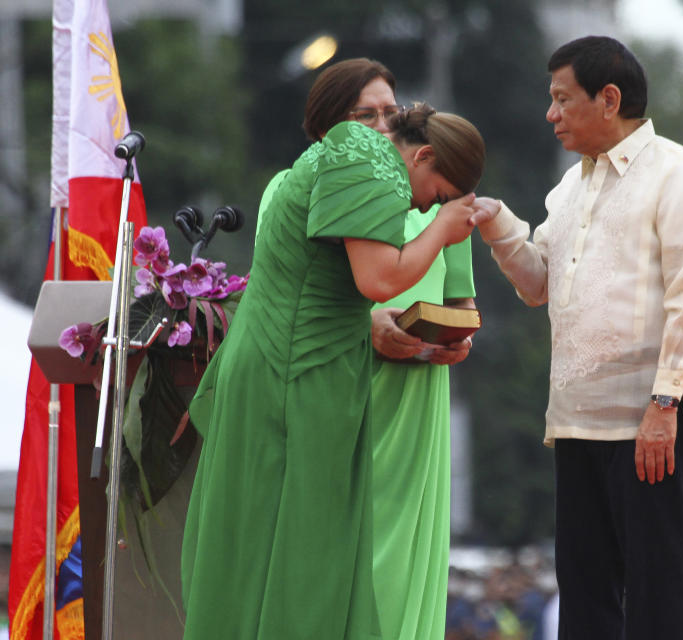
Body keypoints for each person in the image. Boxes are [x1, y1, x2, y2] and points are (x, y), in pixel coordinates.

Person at [180, 100, 486, 639]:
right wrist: (441, 228)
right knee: (301, 549)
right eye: (436, 194)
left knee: (307, 547)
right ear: (425, 155)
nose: (425, 208)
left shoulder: (359, 155)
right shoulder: (367, 159)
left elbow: (344, 280)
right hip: (292, 371)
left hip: (306, 364)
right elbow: (378, 279)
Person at [469, 36, 683, 639]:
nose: (550, 114)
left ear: (608, 100)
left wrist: (664, 404)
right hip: (576, 419)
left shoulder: (679, 174)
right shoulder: (571, 187)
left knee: (659, 588)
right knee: (584, 593)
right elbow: (539, 286)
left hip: (649, 420)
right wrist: (498, 223)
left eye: (562, 99)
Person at [255, 58, 476, 639]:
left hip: (417, 391)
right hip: (339, 380)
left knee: (404, 560)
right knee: (333, 546)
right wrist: (371, 323)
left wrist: (452, 338)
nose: (382, 125)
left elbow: (464, 302)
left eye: (390, 113)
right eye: (364, 115)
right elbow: (288, 297)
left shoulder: (439, 191)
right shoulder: (291, 187)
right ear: (329, 124)